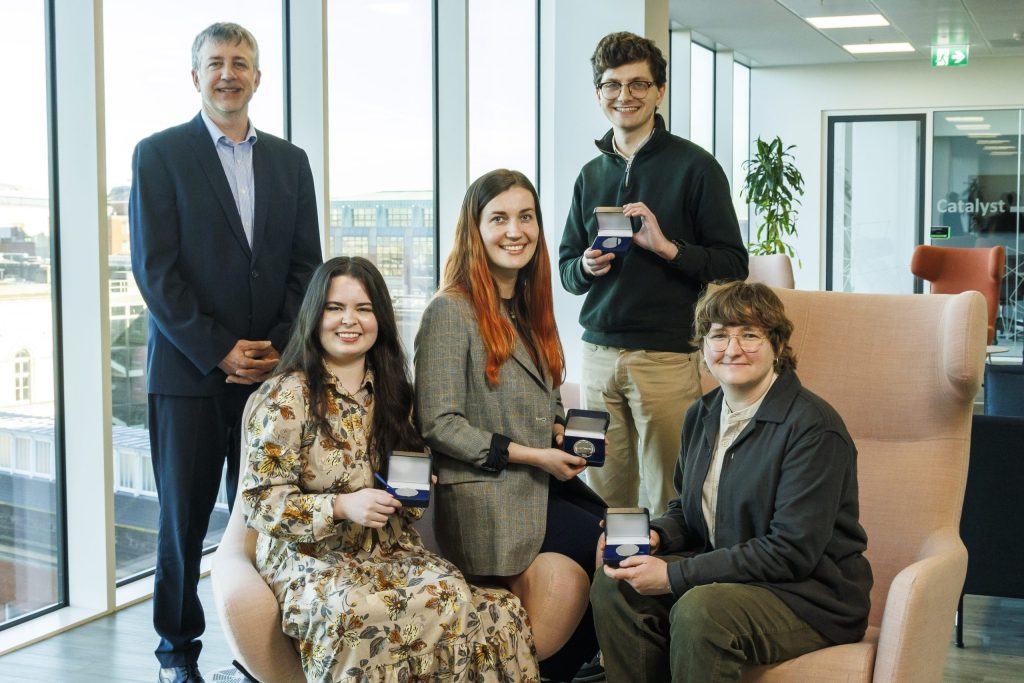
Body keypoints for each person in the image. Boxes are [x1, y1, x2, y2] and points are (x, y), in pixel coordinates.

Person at [129, 22, 321, 683]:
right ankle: (176, 653)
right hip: (187, 376)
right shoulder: (158, 156)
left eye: (241, 62)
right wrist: (218, 351)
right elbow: (156, 272)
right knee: (182, 523)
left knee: (268, 520)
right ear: (196, 76)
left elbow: (307, 267)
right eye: (215, 63)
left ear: (258, 77)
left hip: (269, 376)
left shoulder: (291, 163)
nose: (228, 73)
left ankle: (260, 653)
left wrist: (273, 348)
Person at [241, 257, 539, 682]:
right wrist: (343, 507)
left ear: (379, 317)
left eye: (363, 308)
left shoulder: (396, 391)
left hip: (389, 550)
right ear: (314, 315)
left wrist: (417, 488)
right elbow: (260, 503)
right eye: (335, 308)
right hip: (311, 559)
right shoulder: (287, 395)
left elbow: (409, 508)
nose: (350, 320)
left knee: (455, 592)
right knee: (355, 611)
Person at [590, 281, 873, 682]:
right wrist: (657, 536)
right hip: (728, 579)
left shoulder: (813, 428)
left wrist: (673, 576)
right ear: (703, 347)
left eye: (750, 335)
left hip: (810, 596)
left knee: (701, 610)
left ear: (777, 345)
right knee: (614, 586)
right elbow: (687, 512)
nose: (732, 348)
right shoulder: (701, 415)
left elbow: (791, 552)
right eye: (719, 335)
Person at [415, 170, 607, 681]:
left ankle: (559, 669)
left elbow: (546, 400)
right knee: (609, 548)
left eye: (526, 217)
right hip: (492, 495)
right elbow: (437, 422)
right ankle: (556, 670)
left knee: (631, 539)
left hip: (541, 484)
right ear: (475, 229)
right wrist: (531, 454)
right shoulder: (450, 311)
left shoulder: (525, 307)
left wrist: (560, 429)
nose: (514, 230)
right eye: (498, 218)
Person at [558, 31, 748, 517]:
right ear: (599, 94)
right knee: (599, 493)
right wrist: (585, 265)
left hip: (665, 358)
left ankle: (663, 590)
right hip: (597, 356)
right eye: (613, 85)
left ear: (660, 91)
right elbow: (566, 270)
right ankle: (603, 593)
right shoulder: (589, 174)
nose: (625, 96)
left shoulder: (696, 167)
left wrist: (669, 249)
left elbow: (732, 265)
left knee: (668, 496)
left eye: (639, 84)